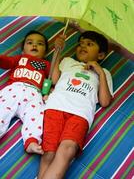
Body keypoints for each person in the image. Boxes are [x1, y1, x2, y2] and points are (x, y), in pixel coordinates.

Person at [38, 31, 113, 178]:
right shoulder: (68, 62)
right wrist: (57, 52)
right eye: (80, 44)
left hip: (80, 114)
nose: (82, 46)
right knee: (49, 152)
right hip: (56, 108)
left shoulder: (104, 73)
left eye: (89, 44)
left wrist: (100, 72)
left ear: (101, 55)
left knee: (67, 150)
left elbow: (104, 101)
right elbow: (54, 80)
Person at [0, 30, 64, 155]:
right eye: (30, 43)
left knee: (37, 117)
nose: (34, 45)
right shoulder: (20, 58)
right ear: (23, 50)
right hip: (14, 89)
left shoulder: (46, 64)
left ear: (45, 51)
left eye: (40, 44)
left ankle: (31, 141)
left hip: (34, 94)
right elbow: (7, 62)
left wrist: (57, 52)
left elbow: (55, 79)